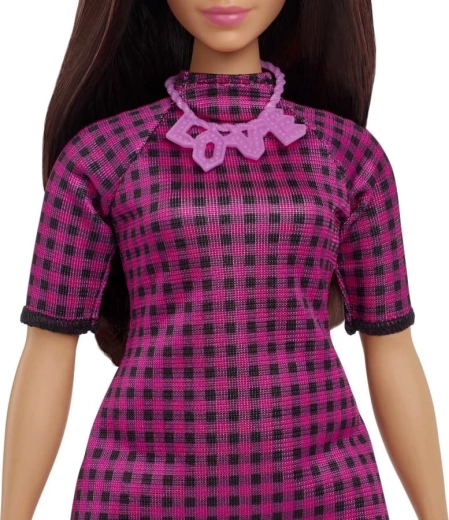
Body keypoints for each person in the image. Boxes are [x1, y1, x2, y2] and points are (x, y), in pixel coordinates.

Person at [1, 0, 447, 518]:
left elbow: (393, 351)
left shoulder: (349, 157)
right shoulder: (101, 157)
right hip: (143, 493)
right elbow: (47, 351)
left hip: (324, 493)